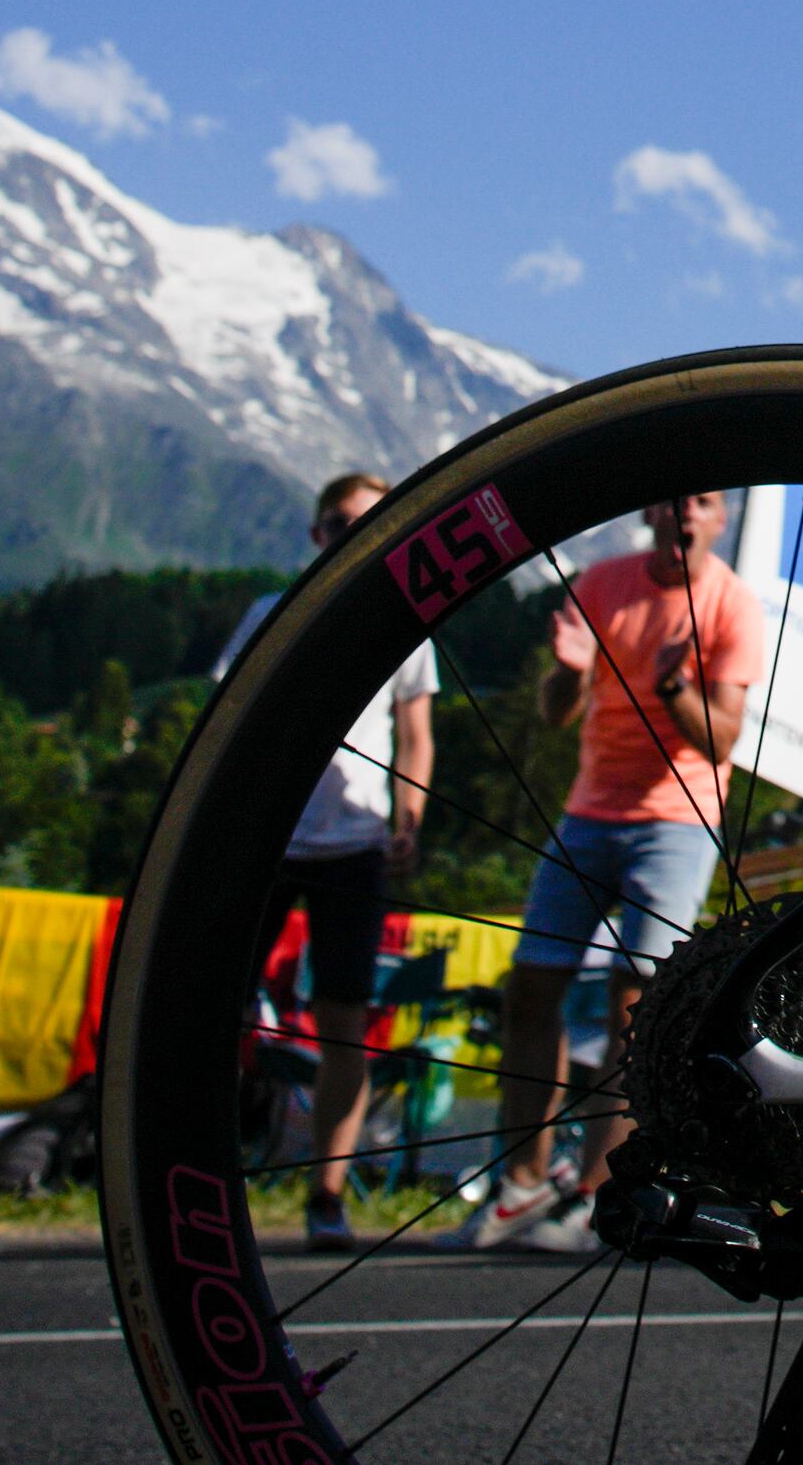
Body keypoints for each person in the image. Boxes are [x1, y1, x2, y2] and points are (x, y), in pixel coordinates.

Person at [455, 489, 766, 1250]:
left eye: (703, 502)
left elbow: (723, 739)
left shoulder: (732, 604)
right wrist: (567, 670)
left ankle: (603, 1192)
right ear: (652, 515)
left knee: (636, 1002)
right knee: (533, 985)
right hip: (591, 811)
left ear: (719, 520)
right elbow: (556, 708)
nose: (686, 514)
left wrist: (674, 688)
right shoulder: (602, 583)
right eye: (674, 502)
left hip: (678, 816)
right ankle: (523, 1181)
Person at [215, 470, 438, 1254]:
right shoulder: (264, 616)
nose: (352, 535)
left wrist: (410, 815)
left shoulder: (407, 623)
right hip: (271, 845)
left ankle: (328, 1193)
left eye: (370, 522)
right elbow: (225, 729)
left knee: (346, 1024)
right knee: (219, 1014)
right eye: (339, 523)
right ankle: (205, 1179)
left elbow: (417, 735)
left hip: (356, 846)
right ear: (316, 534)